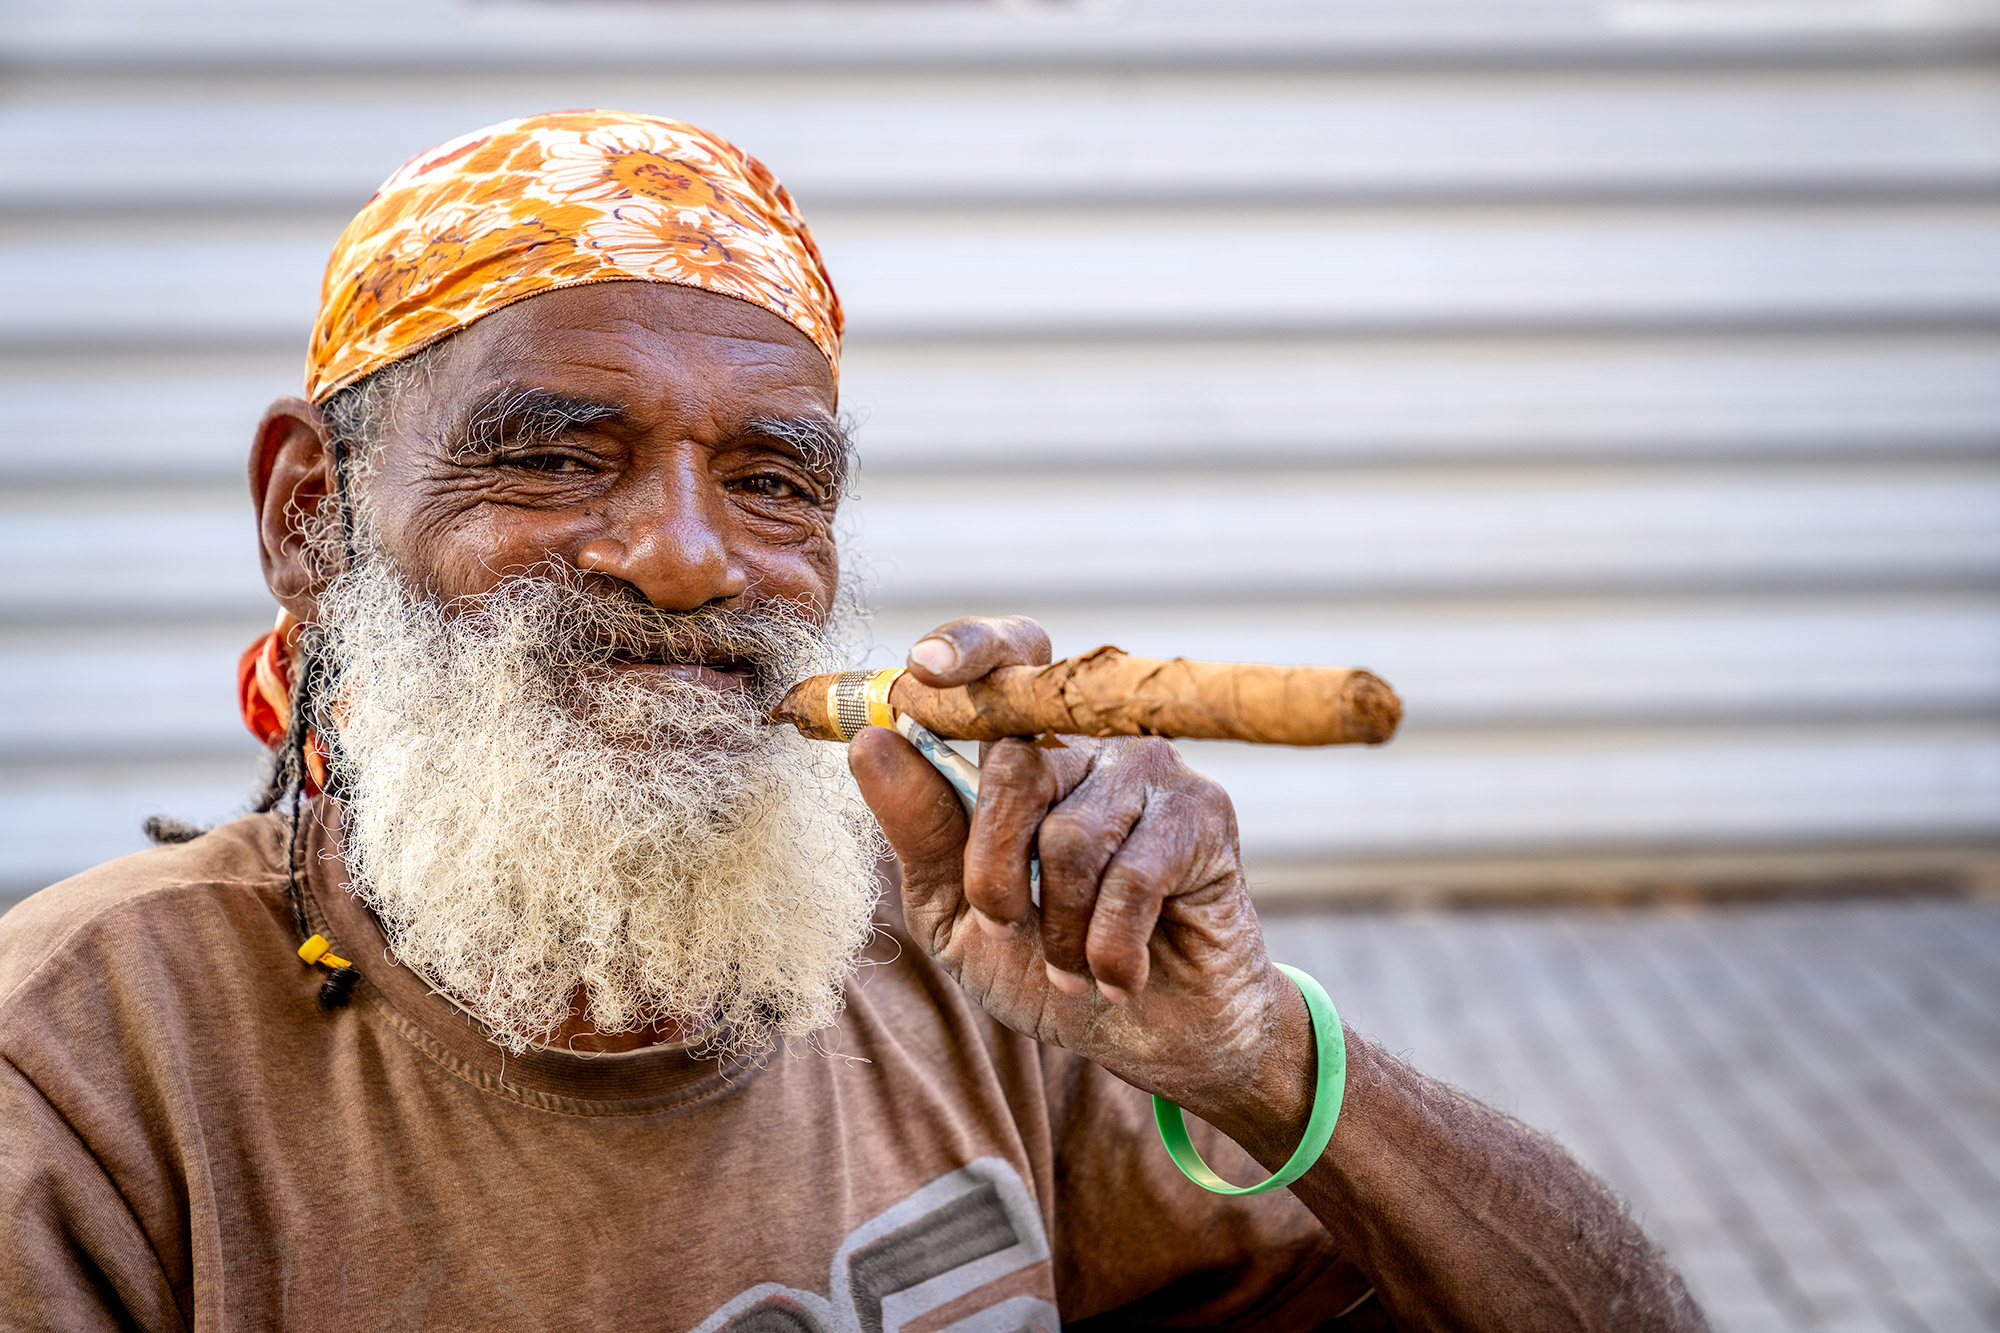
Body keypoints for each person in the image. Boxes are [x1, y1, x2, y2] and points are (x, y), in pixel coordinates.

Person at [0, 111, 1706, 1331]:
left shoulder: (967, 953)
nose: (683, 559)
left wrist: (1254, 1052)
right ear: (311, 516)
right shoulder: (83, 1061)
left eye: (770, 481)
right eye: (556, 453)